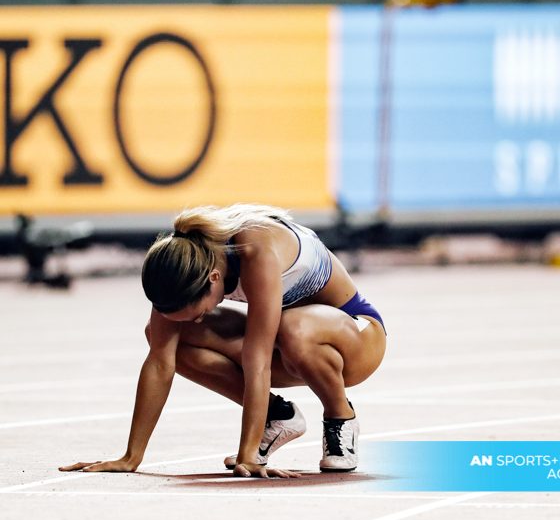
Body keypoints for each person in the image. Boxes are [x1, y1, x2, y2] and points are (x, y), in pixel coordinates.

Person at [60, 204, 386, 478]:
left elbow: (258, 361)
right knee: (165, 338)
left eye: (198, 312)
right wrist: (131, 456)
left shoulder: (255, 251)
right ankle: (277, 415)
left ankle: (340, 417)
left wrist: (248, 456)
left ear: (214, 278)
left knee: (292, 328)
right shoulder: (181, 264)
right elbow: (160, 362)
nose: (199, 320)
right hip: (289, 347)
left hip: (357, 338)